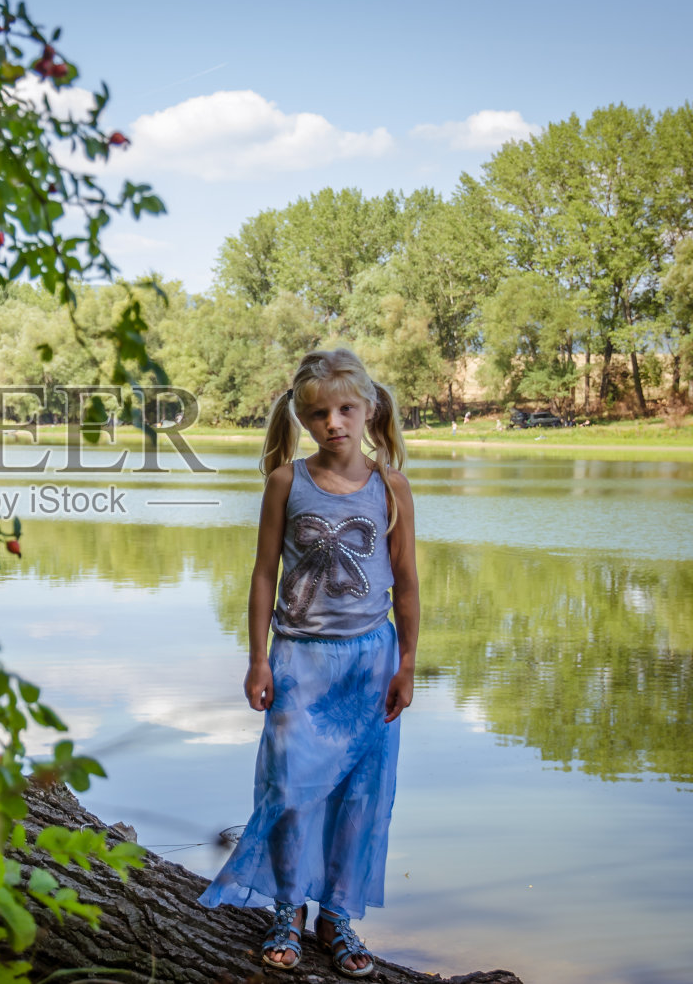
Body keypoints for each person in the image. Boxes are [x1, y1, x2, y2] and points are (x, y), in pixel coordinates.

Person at [198, 348, 420, 978]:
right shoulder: (285, 483)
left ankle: (338, 917)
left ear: (369, 409)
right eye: (319, 414)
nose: (334, 424)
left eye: (346, 409)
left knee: (359, 794)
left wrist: (407, 664)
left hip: (370, 665)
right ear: (302, 419)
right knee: (291, 790)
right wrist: (257, 660)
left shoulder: (390, 486)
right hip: (299, 660)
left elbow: (405, 585)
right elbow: (264, 575)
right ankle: (286, 910)